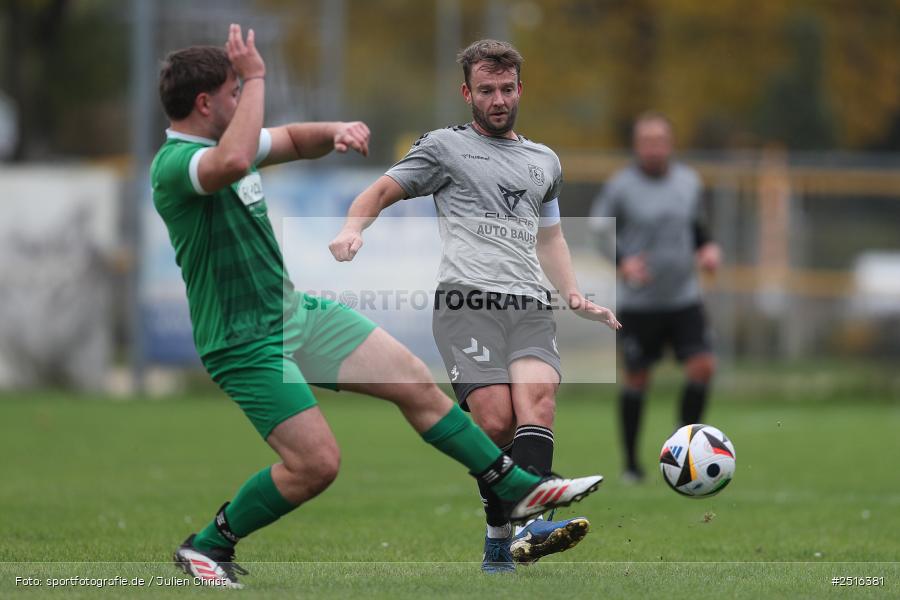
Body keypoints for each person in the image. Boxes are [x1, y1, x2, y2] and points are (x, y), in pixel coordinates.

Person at [151, 26, 604, 589]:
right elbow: (239, 155)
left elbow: (290, 140)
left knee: (415, 382)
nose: (240, 102)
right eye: (233, 95)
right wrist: (258, 75)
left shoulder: (225, 149)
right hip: (243, 339)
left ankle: (518, 492)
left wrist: (335, 133)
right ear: (204, 104)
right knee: (316, 465)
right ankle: (208, 545)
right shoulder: (178, 165)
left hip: (297, 313)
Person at [329, 39, 620, 573]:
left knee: (539, 400)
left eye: (507, 89)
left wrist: (573, 292)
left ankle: (531, 527)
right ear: (467, 92)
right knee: (494, 422)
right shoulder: (443, 148)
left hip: (530, 303)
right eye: (486, 90)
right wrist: (352, 230)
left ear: (520, 89)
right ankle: (498, 532)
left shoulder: (544, 160)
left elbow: (550, 238)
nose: (498, 100)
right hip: (467, 302)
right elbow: (378, 192)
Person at [590, 112, 720, 483]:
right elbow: (599, 231)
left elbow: (697, 226)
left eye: (659, 141)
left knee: (703, 366)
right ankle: (631, 465)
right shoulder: (620, 186)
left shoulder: (688, 181)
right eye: (645, 141)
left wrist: (708, 248)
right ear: (636, 146)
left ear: (671, 143)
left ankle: (686, 442)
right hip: (639, 303)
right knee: (637, 378)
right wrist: (622, 263)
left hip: (683, 297)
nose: (653, 148)